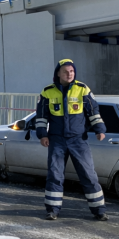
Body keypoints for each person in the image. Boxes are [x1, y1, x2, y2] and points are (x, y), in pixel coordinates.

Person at [35, 59, 108, 221]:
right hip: (57, 140)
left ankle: (99, 211)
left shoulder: (82, 89)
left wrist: (99, 129)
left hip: (78, 140)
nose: (69, 74)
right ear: (58, 74)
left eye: (72, 71)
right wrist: (43, 135)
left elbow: (93, 112)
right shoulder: (47, 92)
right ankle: (52, 210)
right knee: (55, 175)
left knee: (88, 175)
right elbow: (41, 117)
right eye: (66, 72)